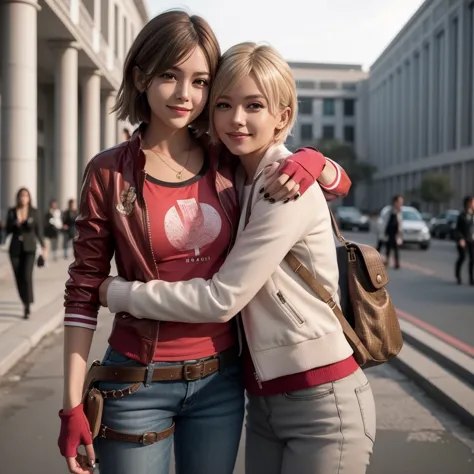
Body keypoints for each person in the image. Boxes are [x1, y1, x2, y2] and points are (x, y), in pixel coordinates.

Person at [57, 12, 351, 474]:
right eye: (170, 76)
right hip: (136, 382)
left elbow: (324, 180)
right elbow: (82, 290)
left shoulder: (227, 159)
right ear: (140, 76)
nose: (184, 94)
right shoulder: (109, 172)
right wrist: (71, 404)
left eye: (200, 81)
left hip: (222, 381)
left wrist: (315, 160)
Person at [6, 188, 46, 319]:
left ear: (29, 198)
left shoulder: (33, 212)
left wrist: (44, 246)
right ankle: (24, 300)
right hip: (15, 249)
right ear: (18, 198)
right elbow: (7, 229)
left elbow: (38, 230)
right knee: (18, 277)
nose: (23, 198)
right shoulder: (12, 212)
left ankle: (27, 305)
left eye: (26, 196)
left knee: (26, 276)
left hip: (29, 248)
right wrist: (14, 223)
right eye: (21, 196)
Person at [379, 195, 403, 269]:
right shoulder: (388, 211)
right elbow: (383, 222)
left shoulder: (399, 212)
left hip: (394, 234)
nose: (400, 204)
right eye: (399, 202)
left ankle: (396, 263)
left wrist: (399, 234)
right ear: (395, 202)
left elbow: (399, 224)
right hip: (387, 233)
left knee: (395, 248)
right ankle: (384, 261)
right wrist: (382, 233)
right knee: (385, 247)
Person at [454, 195, 474, 285]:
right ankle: (458, 276)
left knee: (472, 259)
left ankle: (471, 278)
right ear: (468, 203)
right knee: (462, 257)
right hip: (463, 240)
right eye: (472, 202)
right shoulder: (461, 216)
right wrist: (460, 239)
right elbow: (457, 229)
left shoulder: (472, 215)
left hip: (472, 240)